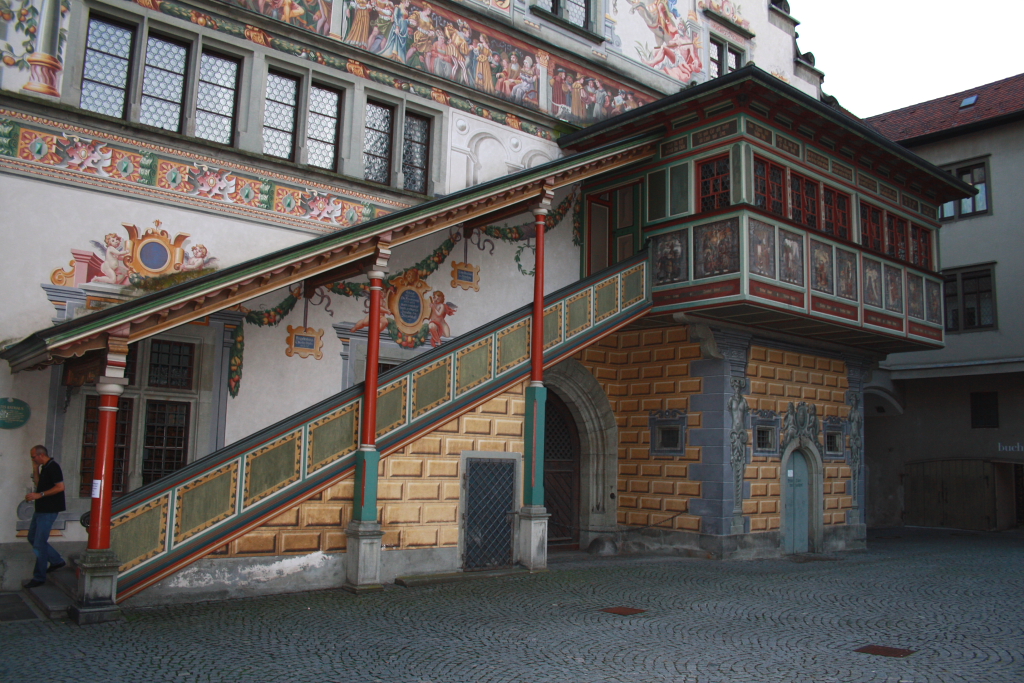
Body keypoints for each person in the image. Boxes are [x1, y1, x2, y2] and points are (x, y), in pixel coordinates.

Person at [24, 445, 66, 588]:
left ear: (41, 455)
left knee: (39, 543)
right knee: (32, 537)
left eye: (33, 456)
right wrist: (35, 468)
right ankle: (56, 560)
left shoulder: (53, 467)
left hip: (49, 509)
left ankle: (39, 576)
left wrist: (39, 495)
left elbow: (60, 487)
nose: (32, 459)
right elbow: (39, 484)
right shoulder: (45, 467)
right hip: (41, 509)